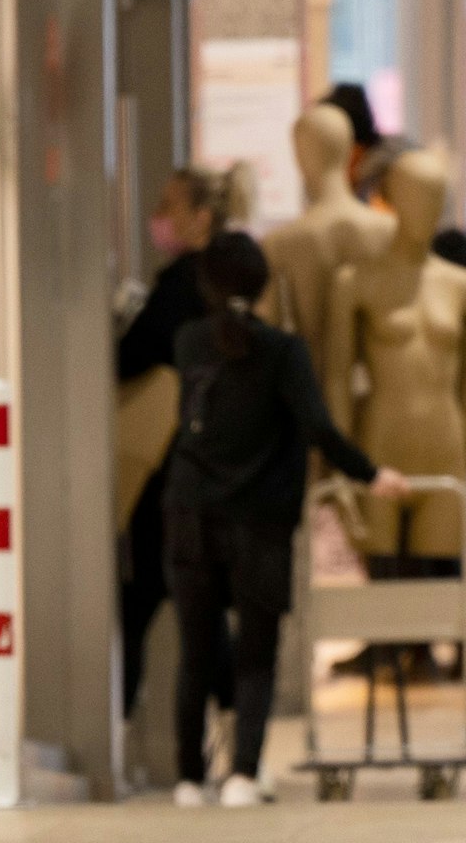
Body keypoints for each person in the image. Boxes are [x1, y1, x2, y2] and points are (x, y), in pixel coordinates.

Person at [163, 233, 406, 807]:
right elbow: (318, 428)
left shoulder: (189, 341)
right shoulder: (284, 351)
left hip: (190, 513)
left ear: (206, 285)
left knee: (196, 651)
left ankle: (188, 780)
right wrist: (372, 474)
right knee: (256, 651)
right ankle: (243, 776)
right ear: (263, 286)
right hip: (259, 520)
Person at [117, 166, 248, 728]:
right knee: (198, 602)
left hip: (174, 466)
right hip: (223, 465)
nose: (158, 218)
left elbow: (129, 356)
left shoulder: (179, 287)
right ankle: (239, 729)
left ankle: (118, 723)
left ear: (201, 218)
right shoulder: (234, 281)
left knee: (140, 596)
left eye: (168, 207)